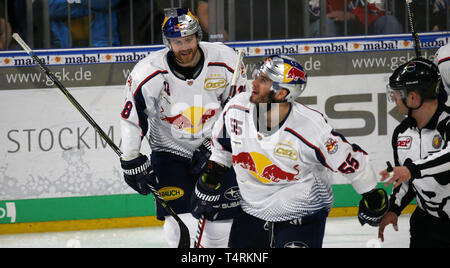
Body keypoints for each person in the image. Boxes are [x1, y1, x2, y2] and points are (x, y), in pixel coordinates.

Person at [190, 55, 389, 248]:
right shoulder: (236, 108)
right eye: (258, 77)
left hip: (303, 209)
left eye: (263, 80)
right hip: (251, 208)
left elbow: (351, 162)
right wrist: (209, 180)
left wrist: (372, 198)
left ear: (281, 93)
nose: (254, 83)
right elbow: (223, 149)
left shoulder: (311, 129)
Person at [119, 8, 247, 248]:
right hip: (170, 153)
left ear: (198, 36)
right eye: (177, 42)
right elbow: (132, 117)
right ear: (167, 42)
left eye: (188, 39)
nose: (184, 47)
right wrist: (131, 159)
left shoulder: (226, 59)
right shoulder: (148, 71)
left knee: (220, 226)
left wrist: (216, 146)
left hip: (216, 154)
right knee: (181, 225)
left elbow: (240, 110)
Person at [379, 58, 450, 248]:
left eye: (397, 92)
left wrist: (410, 169)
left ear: (413, 98)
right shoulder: (401, 133)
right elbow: (406, 181)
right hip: (426, 226)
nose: (393, 97)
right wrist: (394, 209)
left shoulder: (448, 123)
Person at [309, 0, 402, 37]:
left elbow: (381, 8)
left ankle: (390, 73)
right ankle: (329, 74)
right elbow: (314, 13)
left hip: (367, 26)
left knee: (389, 22)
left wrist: (352, 15)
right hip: (334, 27)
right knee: (325, 25)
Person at [49, 0, 120, 48]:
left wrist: (73, 3)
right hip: (63, 53)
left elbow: (108, 2)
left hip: (103, 51)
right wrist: (93, 7)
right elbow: (51, 9)